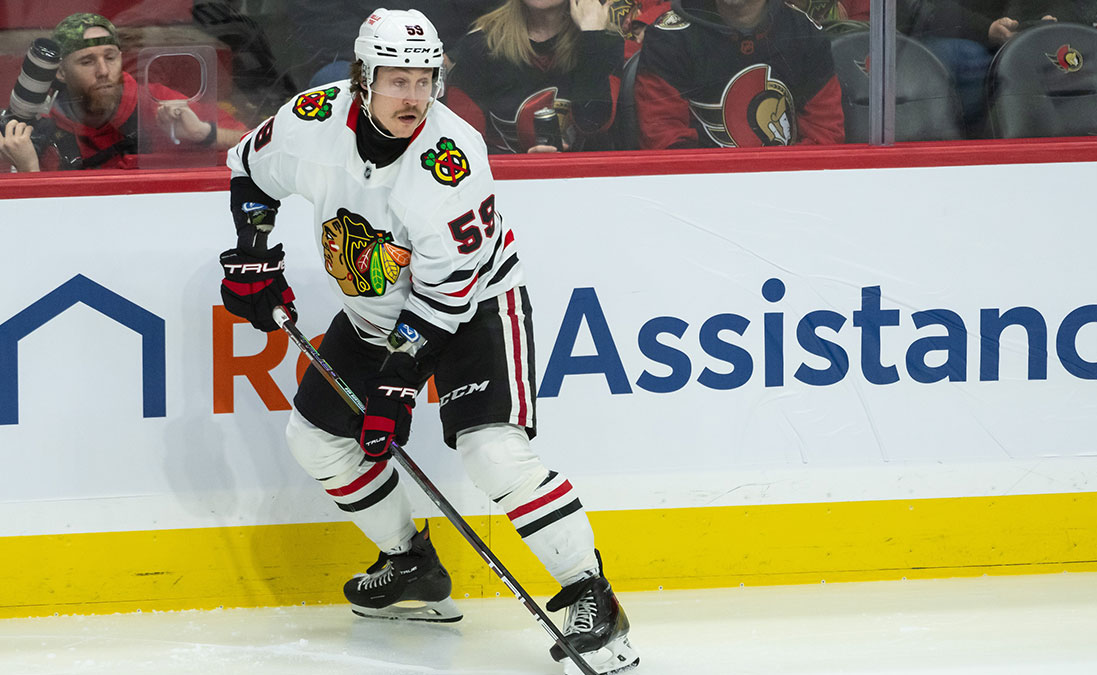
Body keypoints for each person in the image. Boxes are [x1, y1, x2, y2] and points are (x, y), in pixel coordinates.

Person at [216, 8, 638, 674]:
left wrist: (396, 389)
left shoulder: (452, 160)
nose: (414, 96)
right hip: (374, 312)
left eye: (424, 80)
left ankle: (593, 597)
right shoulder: (310, 120)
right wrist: (253, 253)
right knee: (317, 439)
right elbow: (250, 172)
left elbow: (444, 300)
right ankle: (410, 563)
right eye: (397, 80)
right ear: (362, 79)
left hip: (474, 309)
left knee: (492, 452)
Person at [0, 13, 246, 173]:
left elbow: (255, 144)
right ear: (62, 72)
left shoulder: (157, 102)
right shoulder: (45, 129)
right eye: (87, 61)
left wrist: (203, 133)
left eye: (110, 57)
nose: (103, 71)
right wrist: (27, 168)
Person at [634, 0, 846, 149]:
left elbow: (824, 135)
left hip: (787, 189)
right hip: (700, 191)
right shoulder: (668, 39)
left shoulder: (805, 33)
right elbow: (663, 140)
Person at [444, 0, 625, 153]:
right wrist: (524, 165)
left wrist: (592, 38)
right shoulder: (481, 44)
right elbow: (461, 144)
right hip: (501, 176)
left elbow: (592, 124)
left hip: (585, 177)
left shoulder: (604, 41)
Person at [899, 1, 1089, 136]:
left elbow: (1079, 5)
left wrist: (1054, 20)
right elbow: (920, 6)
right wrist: (986, 29)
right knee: (966, 57)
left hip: (1037, 38)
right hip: (958, 40)